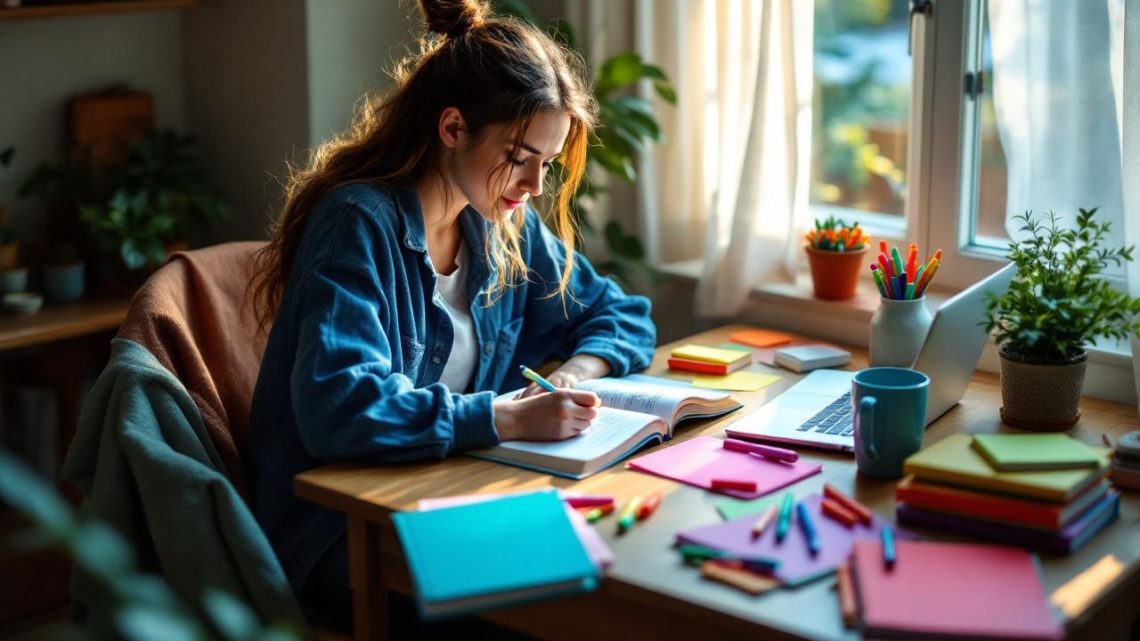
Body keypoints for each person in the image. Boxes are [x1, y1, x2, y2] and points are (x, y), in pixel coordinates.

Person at [244, 0, 657, 630]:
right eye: (519, 156)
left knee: (611, 584)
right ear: (454, 128)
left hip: (448, 499)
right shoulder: (358, 224)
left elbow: (621, 314)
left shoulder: (500, 225)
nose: (534, 186)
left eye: (546, 164)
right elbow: (340, 408)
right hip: (342, 535)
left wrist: (574, 373)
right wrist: (504, 417)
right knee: (547, 617)